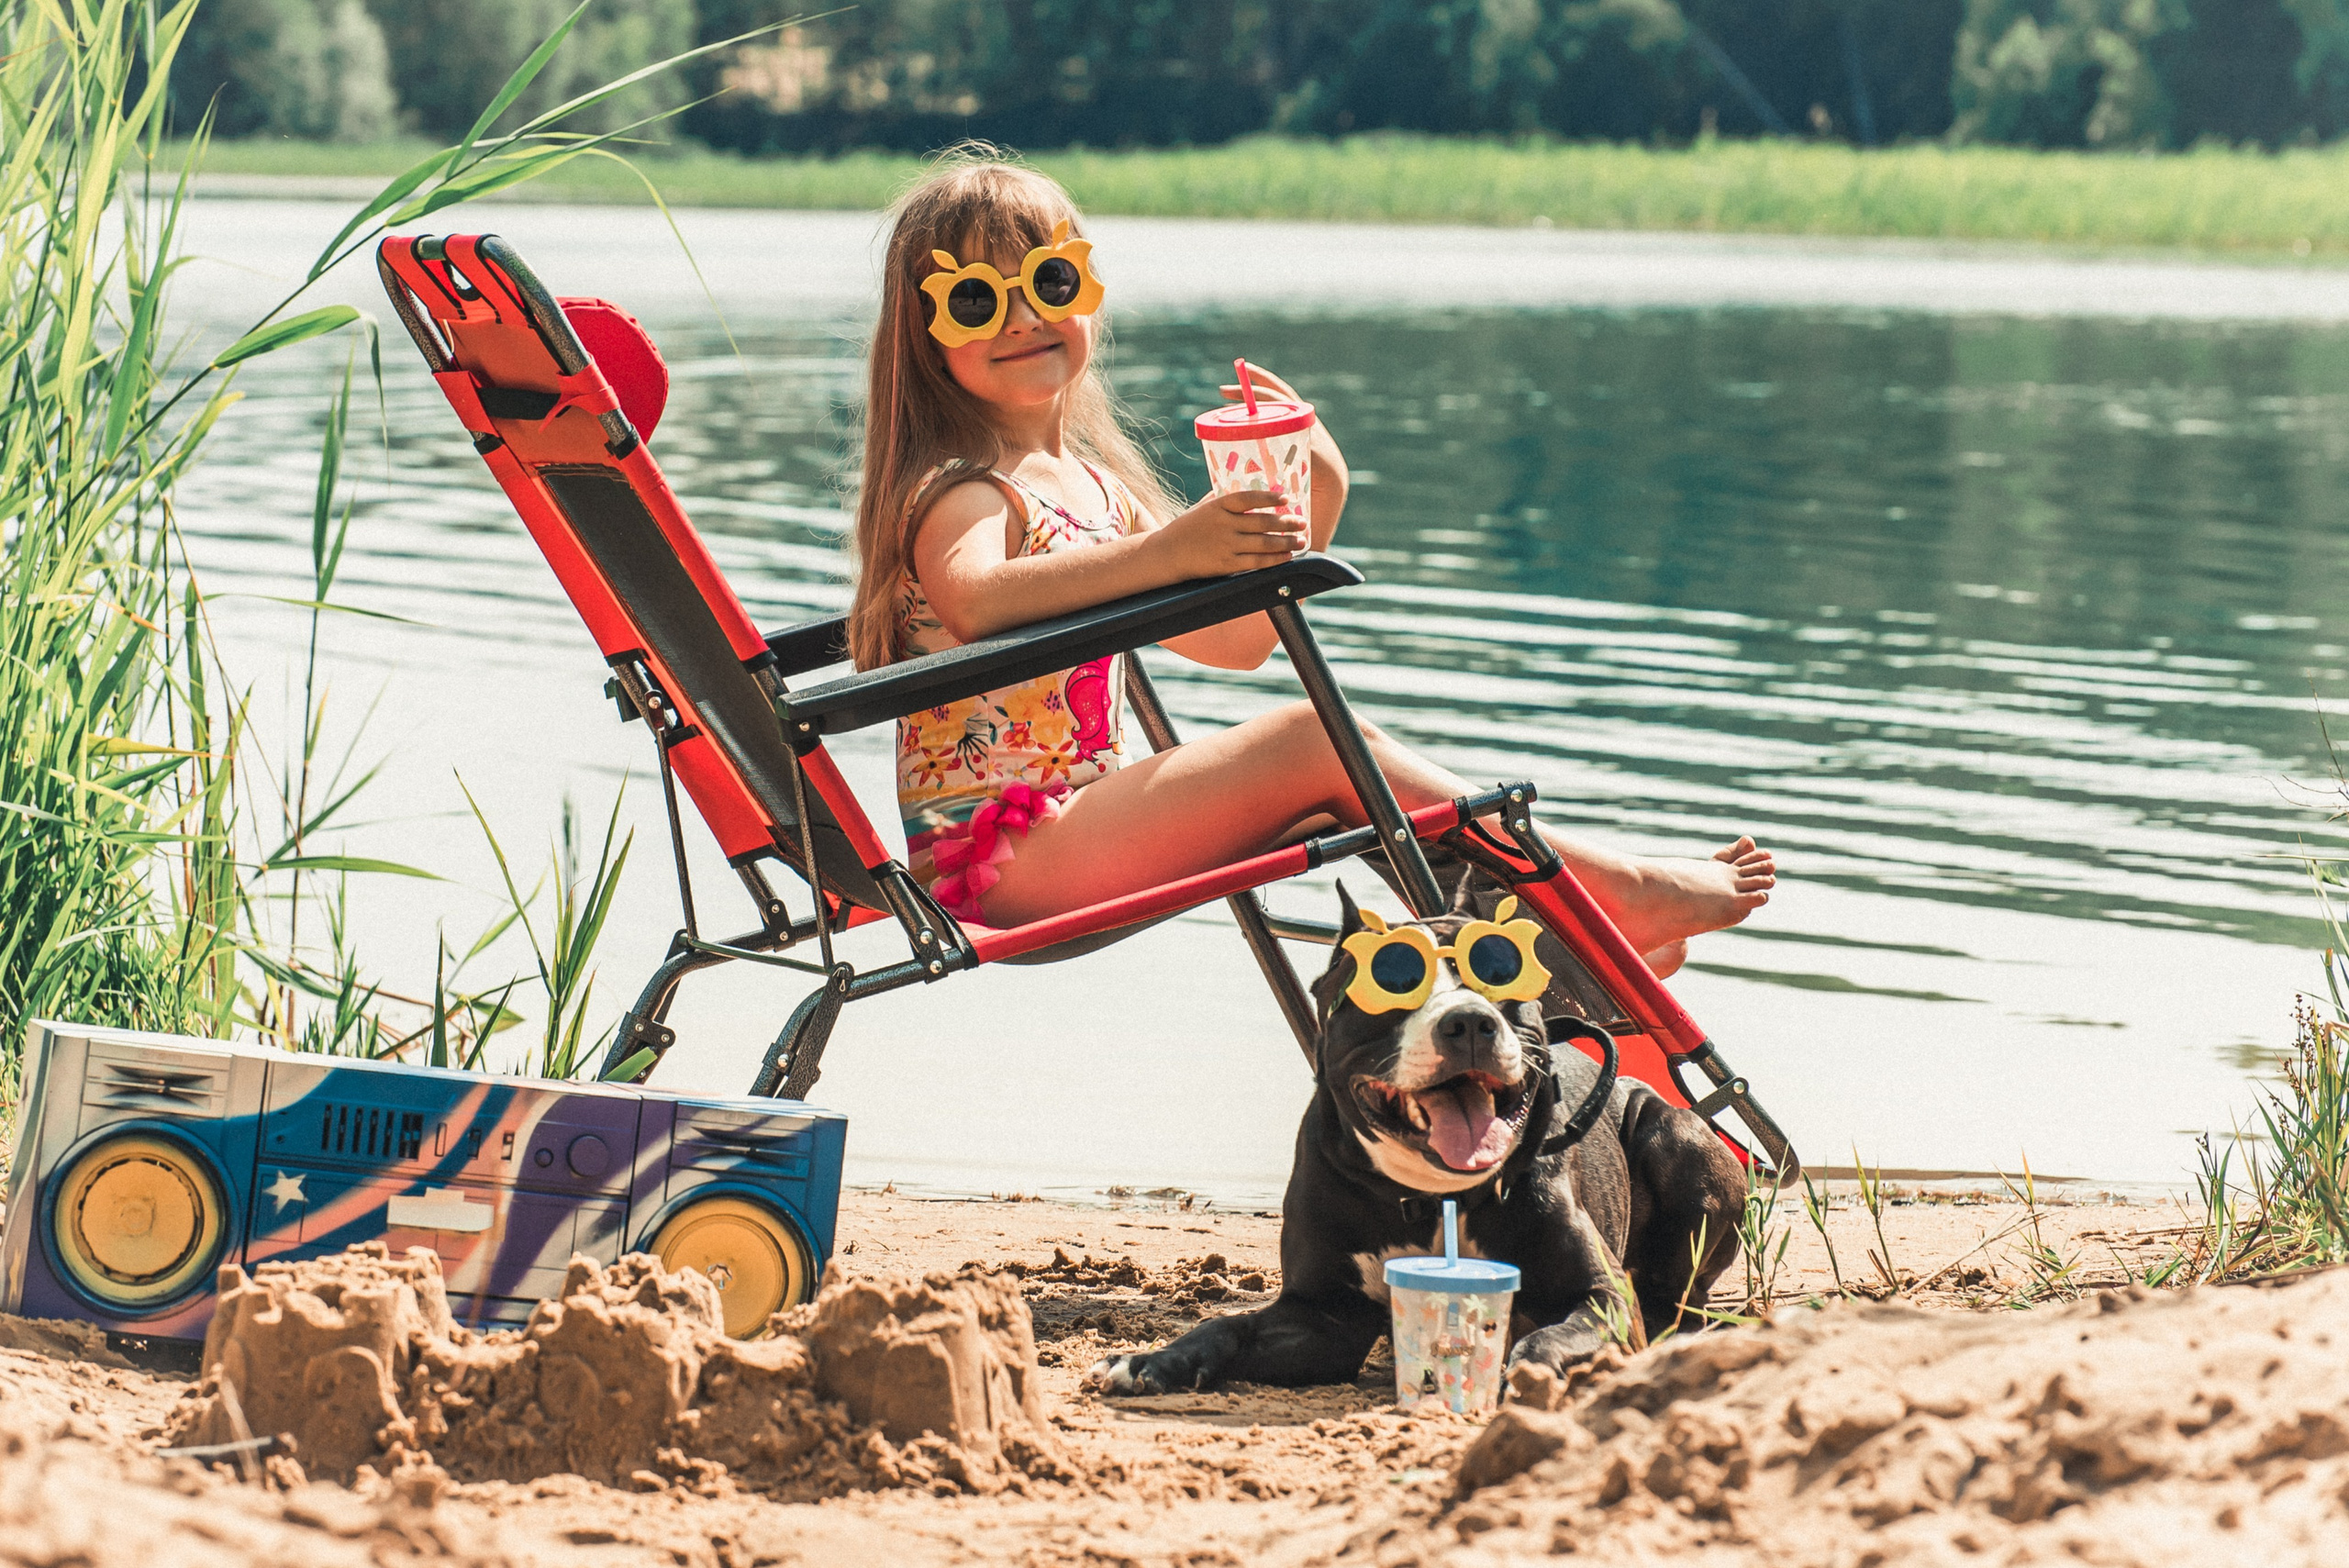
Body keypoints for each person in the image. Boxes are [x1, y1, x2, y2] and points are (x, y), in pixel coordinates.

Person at [847, 150, 1773, 976]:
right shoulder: (961, 490)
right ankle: (1611, 885)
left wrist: (1313, 495)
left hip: (1076, 830)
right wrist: (1170, 547)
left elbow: (1238, 641)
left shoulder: (1095, 488)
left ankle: (1567, 948)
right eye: (975, 299)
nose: (1020, 316)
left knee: (1338, 786)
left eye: (1048, 281)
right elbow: (972, 601)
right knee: (1312, 738)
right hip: (1000, 859)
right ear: (926, 334)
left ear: (1086, 292)